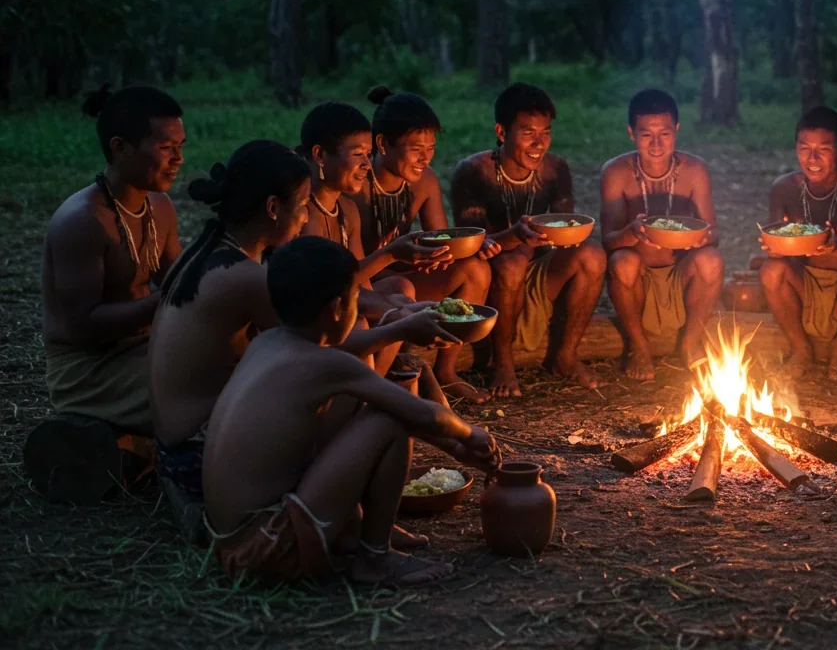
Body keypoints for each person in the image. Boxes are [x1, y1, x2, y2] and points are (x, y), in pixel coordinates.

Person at [149, 141, 456, 519]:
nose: (303, 217)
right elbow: (322, 353)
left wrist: (396, 311)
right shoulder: (246, 278)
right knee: (356, 398)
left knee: (347, 384)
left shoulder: (213, 249)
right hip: (197, 453)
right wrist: (399, 327)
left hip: (175, 446)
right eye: (302, 205)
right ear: (274, 209)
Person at [203, 236, 500, 587]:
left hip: (228, 541)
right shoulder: (327, 366)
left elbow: (350, 347)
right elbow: (425, 415)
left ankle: (348, 532)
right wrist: (470, 435)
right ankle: (374, 559)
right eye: (357, 300)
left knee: (354, 400)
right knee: (388, 421)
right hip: (267, 548)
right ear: (336, 309)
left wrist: (400, 328)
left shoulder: (269, 342)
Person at [29, 85, 185, 501]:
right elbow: (82, 328)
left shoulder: (160, 208)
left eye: (181, 146)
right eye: (166, 147)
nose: (179, 159)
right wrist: (162, 303)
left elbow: (180, 283)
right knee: (204, 378)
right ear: (120, 148)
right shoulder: (82, 221)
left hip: (141, 349)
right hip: (87, 373)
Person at [450, 83, 607, 398]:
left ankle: (565, 356)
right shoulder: (473, 172)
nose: (539, 144)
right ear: (501, 131)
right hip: (493, 278)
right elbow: (473, 243)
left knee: (593, 255)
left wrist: (566, 238)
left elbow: (563, 225)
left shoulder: (554, 170)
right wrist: (514, 241)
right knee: (510, 264)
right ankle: (503, 364)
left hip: (538, 269)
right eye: (528, 133)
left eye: (546, 133)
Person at [347, 86, 492, 398]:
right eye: (415, 148)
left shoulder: (424, 182)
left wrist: (445, 254)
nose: (425, 158)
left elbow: (441, 240)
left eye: (431, 148)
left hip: (399, 277)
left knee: (475, 269)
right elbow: (353, 270)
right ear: (382, 143)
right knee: (403, 289)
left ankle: (446, 370)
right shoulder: (355, 186)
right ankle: (386, 380)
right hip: (363, 284)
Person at [297, 101, 458, 376]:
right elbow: (327, 290)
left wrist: (406, 309)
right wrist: (397, 313)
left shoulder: (346, 210)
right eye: (358, 155)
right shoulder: (303, 212)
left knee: (401, 289)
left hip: (341, 298)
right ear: (320, 155)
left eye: (368, 154)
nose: (365, 165)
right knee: (361, 319)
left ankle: (379, 381)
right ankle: (365, 394)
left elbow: (361, 282)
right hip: (306, 314)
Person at [600, 89, 724, 379]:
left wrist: (702, 237)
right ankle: (639, 347)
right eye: (646, 135)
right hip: (638, 276)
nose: (656, 144)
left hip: (679, 273)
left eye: (665, 134)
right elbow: (608, 242)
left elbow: (713, 232)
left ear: (677, 130)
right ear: (632, 133)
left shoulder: (695, 170)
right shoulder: (616, 172)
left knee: (712, 260)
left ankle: (691, 343)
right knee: (622, 262)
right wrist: (632, 233)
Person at [758, 107, 837, 381]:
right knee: (771, 271)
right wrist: (774, 247)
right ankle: (801, 348)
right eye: (804, 148)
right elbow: (779, 245)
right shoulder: (784, 188)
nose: (812, 158)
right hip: (807, 285)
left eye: (823, 150)